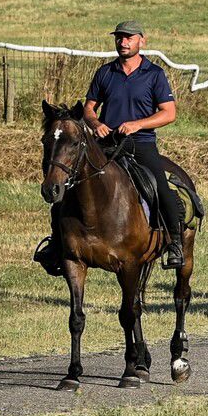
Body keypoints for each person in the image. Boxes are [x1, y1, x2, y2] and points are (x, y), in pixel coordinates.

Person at [83, 20, 186, 269]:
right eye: (119, 37)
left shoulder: (154, 74)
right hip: (107, 143)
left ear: (142, 40)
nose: (123, 42)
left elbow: (169, 113)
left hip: (140, 143)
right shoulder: (105, 73)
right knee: (74, 181)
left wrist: (138, 124)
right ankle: (58, 243)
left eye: (129, 38)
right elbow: (88, 108)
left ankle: (175, 244)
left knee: (161, 189)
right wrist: (96, 124)